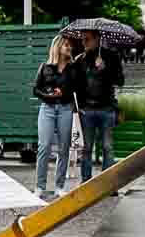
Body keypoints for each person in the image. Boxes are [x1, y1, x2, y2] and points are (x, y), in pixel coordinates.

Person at [32, 35, 81, 198]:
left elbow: (77, 89)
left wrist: (63, 92)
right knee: (44, 146)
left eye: (70, 46)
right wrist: (49, 95)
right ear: (58, 47)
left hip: (66, 108)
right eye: (66, 45)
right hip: (47, 108)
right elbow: (35, 89)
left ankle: (59, 186)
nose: (69, 48)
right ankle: (40, 186)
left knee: (64, 148)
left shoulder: (73, 68)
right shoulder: (45, 67)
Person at [77, 44, 123, 181]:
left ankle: (107, 184)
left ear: (97, 38)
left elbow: (120, 81)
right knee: (86, 148)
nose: (84, 42)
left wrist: (105, 69)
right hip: (87, 110)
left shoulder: (111, 56)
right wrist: (79, 106)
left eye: (88, 39)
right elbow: (76, 84)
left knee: (107, 147)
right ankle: (86, 182)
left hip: (106, 109)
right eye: (83, 39)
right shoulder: (81, 59)